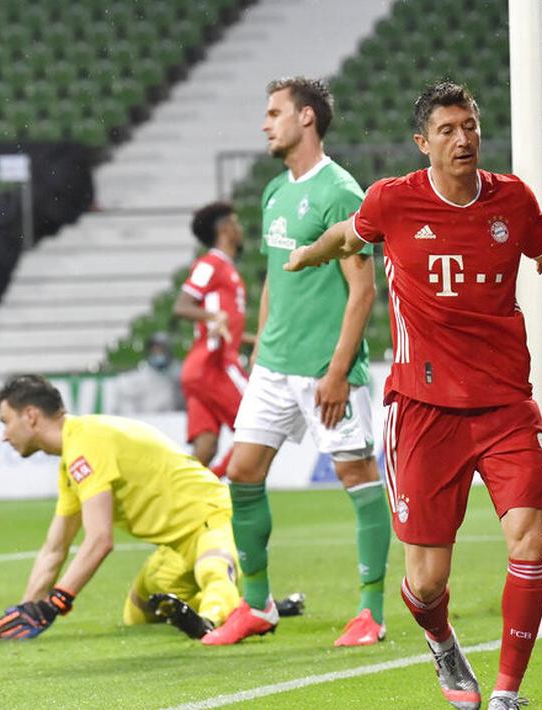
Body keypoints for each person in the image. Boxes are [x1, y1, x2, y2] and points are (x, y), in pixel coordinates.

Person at [285, 81, 542, 710]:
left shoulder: (512, 200)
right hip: (422, 410)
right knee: (426, 581)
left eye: (469, 126)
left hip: (503, 406)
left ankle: (507, 693)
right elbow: (346, 238)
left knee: (528, 537)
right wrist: (308, 252)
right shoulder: (392, 202)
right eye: (448, 130)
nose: (463, 138)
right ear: (423, 144)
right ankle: (442, 642)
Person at [200, 77, 390, 648]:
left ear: (306, 118)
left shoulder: (341, 192)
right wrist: (260, 352)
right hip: (274, 366)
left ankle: (371, 612)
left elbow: (363, 291)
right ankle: (256, 605)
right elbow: (271, 281)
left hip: (325, 369)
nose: (265, 123)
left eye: (274, 113)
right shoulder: (274, 193)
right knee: (243, 474)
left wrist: (337, 371)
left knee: (356, 475)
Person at [0, 374, 240, 641]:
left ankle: (217, 619)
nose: (4, 436)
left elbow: (100, 540)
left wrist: (55, 604)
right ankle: (247, 607)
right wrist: (28, 608)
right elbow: (55, 548)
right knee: (139, 614)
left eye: (6, 422)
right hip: (176, 545)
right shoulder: (73, 459)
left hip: (215, 516)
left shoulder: (86, 444)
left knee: (213, 572)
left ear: (31, 416)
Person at [173, 201, 249, 477]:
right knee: (258, 425)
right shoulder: (210, 264)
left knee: (206, 446)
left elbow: (229, 326)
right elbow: (181, 306)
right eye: (237, 223)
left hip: (199, 369)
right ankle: (214, 485)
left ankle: (176, 497)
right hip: (214, 364)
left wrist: (258, 340)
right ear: (227, 229)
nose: (241, 230)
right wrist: (213, 317)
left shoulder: (225, 269)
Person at [113, 332, 183, 414]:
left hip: (171, 420)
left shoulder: (177, 373)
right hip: (145, 421)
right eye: (155, 350)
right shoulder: (138, 377)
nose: (158, 354)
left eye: (161, 350)